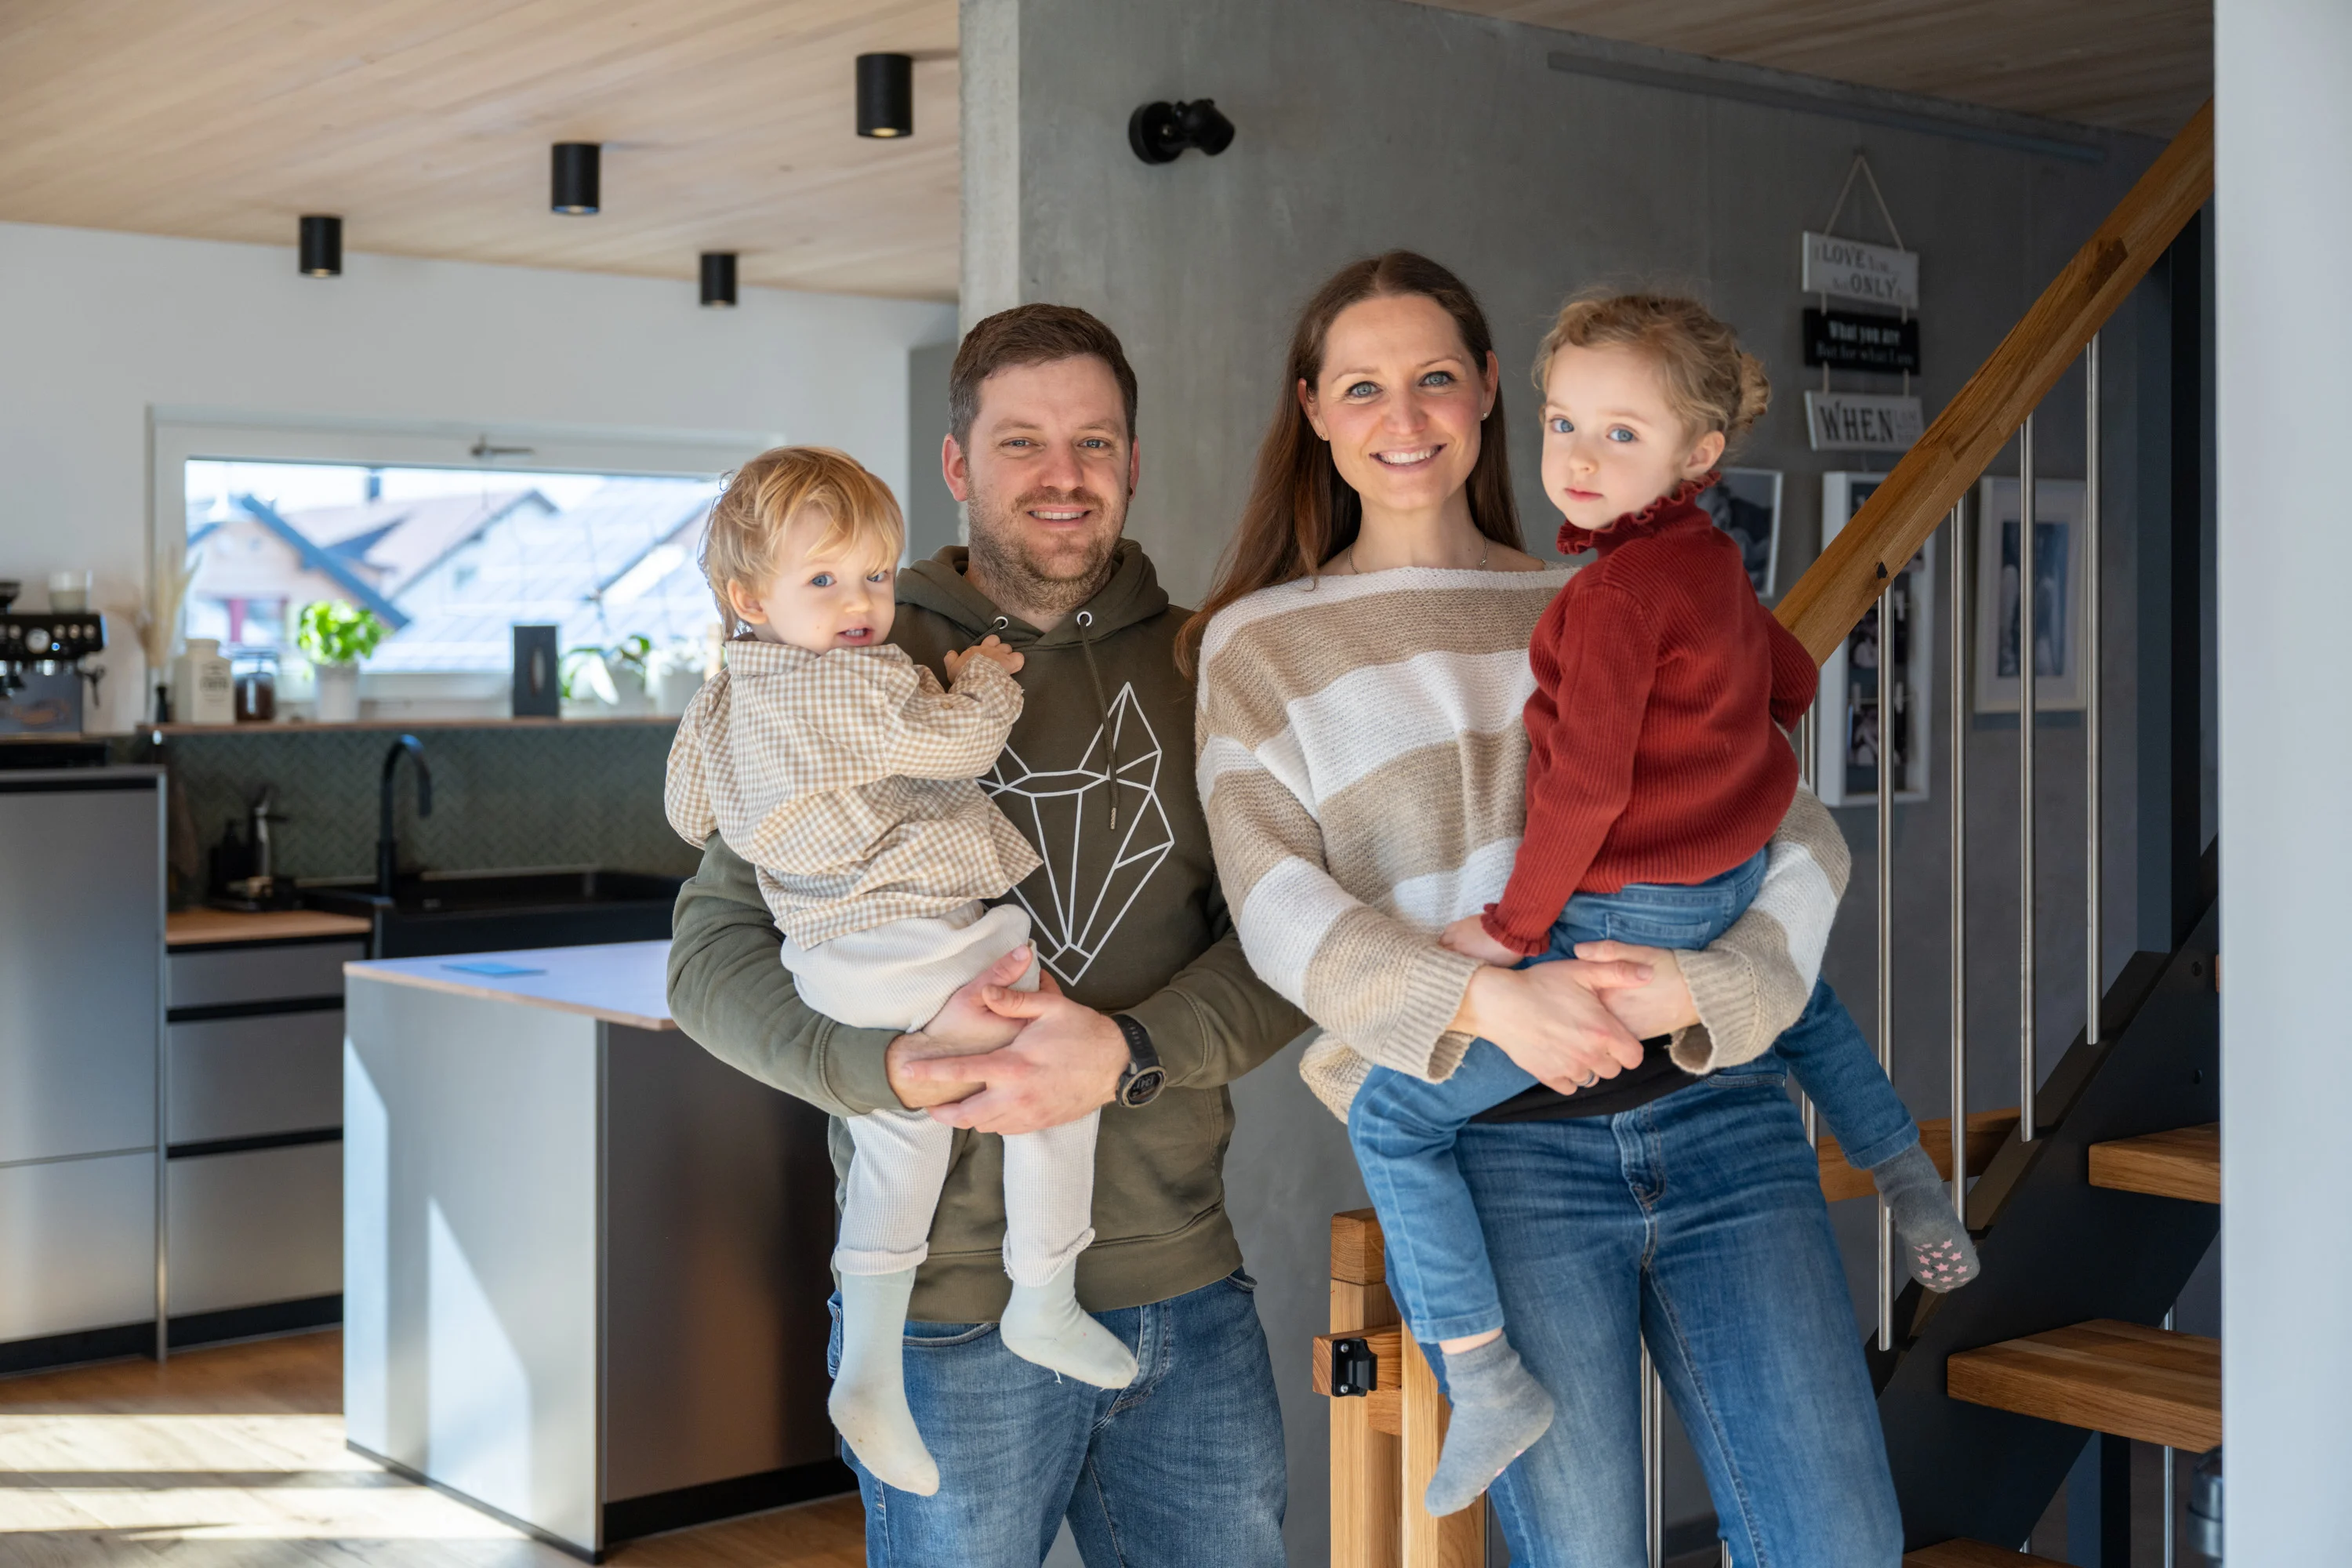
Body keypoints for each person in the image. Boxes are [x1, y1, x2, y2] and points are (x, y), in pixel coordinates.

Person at [1189, 252, 1905, 1565]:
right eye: (1363, 387)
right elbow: (1278, 909)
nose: (1403, 419)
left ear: (1490, 392)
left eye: (1435, 380)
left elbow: (1792, 824)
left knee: (1839, 1542)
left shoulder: (1607, 591)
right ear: (1313, 409)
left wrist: (1718, 988)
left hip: (1723, 1119)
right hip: (1496, 1155)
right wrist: (1491, 998)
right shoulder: (1263, 642)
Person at [666, 305, 1309, 1567]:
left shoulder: (1208, 667)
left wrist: (1125, 1049)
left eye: (1094, 443)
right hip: (942, 1328)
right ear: (958, 468)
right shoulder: (841, 651)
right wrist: (876, 1073)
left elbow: (1288, 945)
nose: (1062, 476)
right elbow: (708, 962)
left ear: (1133, 461)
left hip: (1185, 1300)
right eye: (1022, 443)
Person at [1327, 291, 1976, 1514]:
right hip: (1723, 886)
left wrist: (1516, 935)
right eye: (1564, 422)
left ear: (1699, 453)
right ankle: (1907, 1175)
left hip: (1619, 913)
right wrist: (1728, 759)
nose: (1575, 457)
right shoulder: (1712, 560)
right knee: (1802, 1008)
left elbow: (1582, 792)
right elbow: (1786, 673)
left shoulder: (1611, 596)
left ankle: (1483, 1380)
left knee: (1391, 1121)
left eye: (1619, 435)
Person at [663, 445, 1140, 1498]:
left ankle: (869, 1370)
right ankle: (1044, 1292)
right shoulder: (852, 684)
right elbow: (958, 747)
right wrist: (980, 680)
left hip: (834, 961)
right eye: (825, 581)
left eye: (875, 576)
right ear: (748, 597)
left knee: (898, 1151)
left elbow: (689, 813)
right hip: (912, 935)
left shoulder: (721, 698)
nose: (862, 606)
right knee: (1058, 1073)